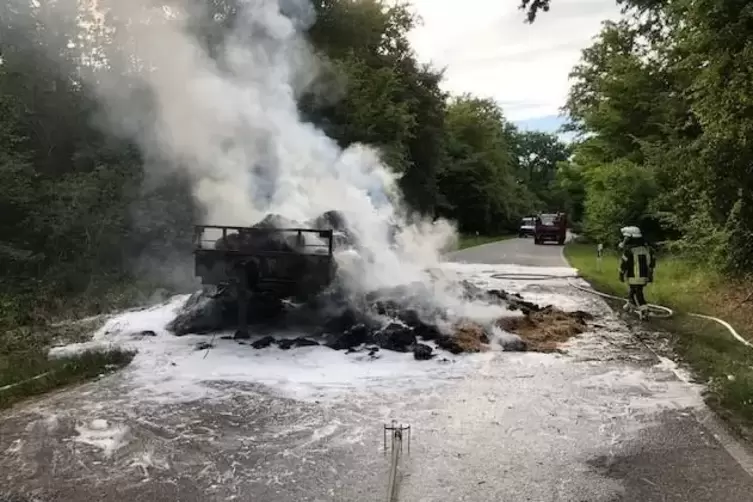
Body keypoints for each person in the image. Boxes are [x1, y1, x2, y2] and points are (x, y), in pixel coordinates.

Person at [618, 226, 655, 319]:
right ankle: (630, 304)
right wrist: (650, 274)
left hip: (634, 276)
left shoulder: (629, 251)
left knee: (637, 293)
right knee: (634, 290)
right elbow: (652, 263)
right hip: (644, 276)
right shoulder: (647, 249)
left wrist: (621, 274)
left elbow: (624, 264)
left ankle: (644, 310)